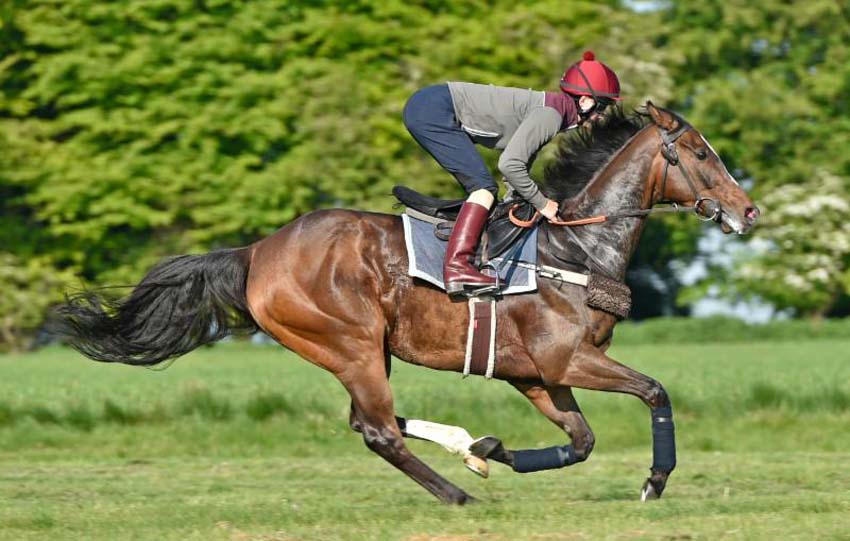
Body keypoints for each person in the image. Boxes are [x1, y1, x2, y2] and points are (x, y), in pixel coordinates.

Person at [403, 51, 621, 297]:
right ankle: (457, 267)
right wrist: (542, 203)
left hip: (429, 103)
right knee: (483, 190)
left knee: (488, 190)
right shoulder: (551, 115)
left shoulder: (553, 112)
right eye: (603, 106)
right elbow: (510, 164)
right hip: (432, 110)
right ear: (584, 102)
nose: (603, 116)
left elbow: (519, 163)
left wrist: (515, 199)